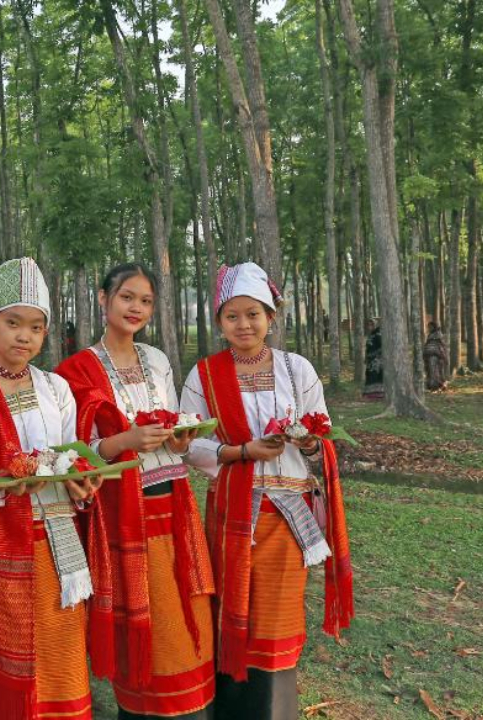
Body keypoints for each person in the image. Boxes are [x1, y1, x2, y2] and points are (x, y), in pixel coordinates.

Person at [180, 262, 353, 720]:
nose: (244, 324)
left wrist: (310, 440)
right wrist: (241, 451)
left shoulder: (297, 370)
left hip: (287, 519)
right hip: (231, 515)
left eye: (253, 314)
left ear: (271, 317)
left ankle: (274, 711)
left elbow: (322, 434)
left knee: (275, 618)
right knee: (228, 609)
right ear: (219, 323)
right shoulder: (204, 375)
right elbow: (189, 443)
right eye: (232, 316)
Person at [0, 257, 100, 720]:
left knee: (59, 636)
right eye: (13, 323)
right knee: (6, 637)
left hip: (57, 536)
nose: (23, 336)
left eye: (34, 327)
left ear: (45, 334)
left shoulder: (56, 389)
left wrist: (82, 482)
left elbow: (72, 454)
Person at [55, 263, 215, 720]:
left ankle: (191, 707)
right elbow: (74, 449)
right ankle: (142, 708)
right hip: (121, 508)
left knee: (189, 609)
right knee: (144, 616)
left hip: (174, 496)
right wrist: (121, 443)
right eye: (127, 297)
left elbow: (173, 421)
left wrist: (181, 437)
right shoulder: (76, 370)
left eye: (145, 301)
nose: (136, 308)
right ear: (104, 299)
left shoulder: (158, 360)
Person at [424, 321, 449, 392]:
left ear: (434, 327)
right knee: (431, 371)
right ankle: (432, 385)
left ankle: (438, 385)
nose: (429, 328)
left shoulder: (438, 335)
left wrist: (442, 355)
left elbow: (441, 346)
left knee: (437, 371)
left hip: (437, 356)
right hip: (430, 356)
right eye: (428, 327)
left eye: (431, 327)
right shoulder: (430, 335)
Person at [362, 319, 384, 399]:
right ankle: (370, 393)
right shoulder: (371, 335)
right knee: (370, 375)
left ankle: (378, 393)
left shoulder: (378, 335)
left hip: (376, 360)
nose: (369, 327)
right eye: (368, 325)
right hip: (370, 360)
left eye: (371, 325)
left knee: (375, 376)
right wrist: (366, 357)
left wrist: (375, 356)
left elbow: (381, 347)